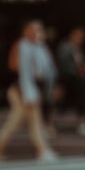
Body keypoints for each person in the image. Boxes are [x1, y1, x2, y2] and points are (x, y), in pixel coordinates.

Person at [0, 19, 58, 161]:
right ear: (25, 31)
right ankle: (42, 150)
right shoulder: (21, 45)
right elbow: (15, 67)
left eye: (38, 29)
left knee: (31, 122)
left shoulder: (41, 48)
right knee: (20, 122)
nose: (36, 32)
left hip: (33, 90)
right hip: (20, 90)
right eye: (32, 29)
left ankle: (42, 150)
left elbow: (49, 70)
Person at [55, 26, 85, 135]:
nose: (80, 39)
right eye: (78, 36)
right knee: (62, 103)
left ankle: (81, 123)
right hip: (69, 80)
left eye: (82, 37)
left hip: (78, 81)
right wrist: (81, 70)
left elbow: (79, 63)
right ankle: (52, 124)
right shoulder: (66, 47)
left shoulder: (78, 48)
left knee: (80, 102)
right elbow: (65, 64)